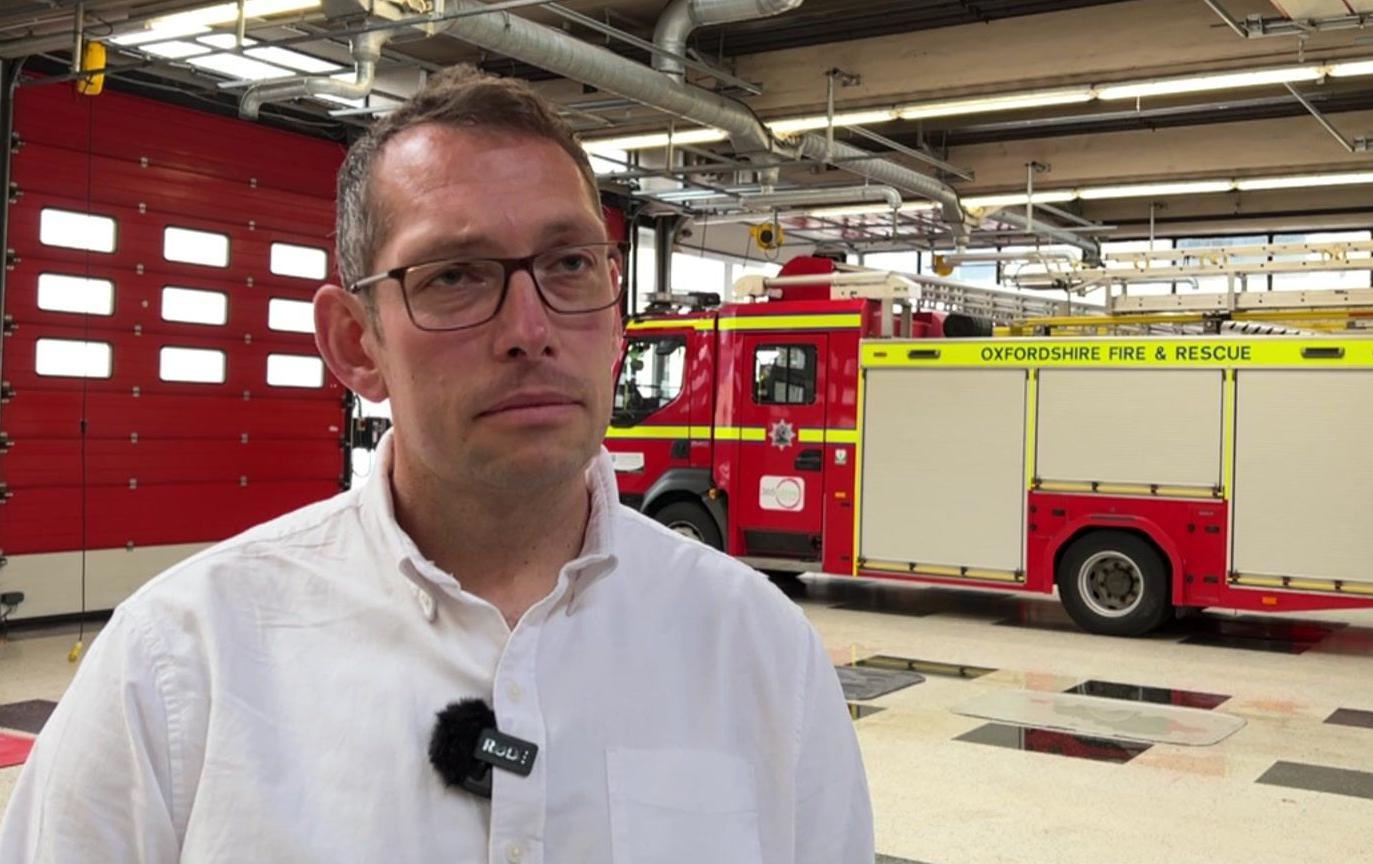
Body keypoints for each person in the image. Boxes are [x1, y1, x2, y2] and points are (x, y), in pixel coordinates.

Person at [0, 66, 872, 863]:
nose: (531, 329)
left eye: (569, 264)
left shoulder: (759, 655)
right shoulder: (182, 663)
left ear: (614, 318)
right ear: (355, 343)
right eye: (455, 276)